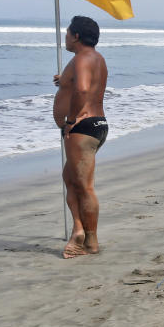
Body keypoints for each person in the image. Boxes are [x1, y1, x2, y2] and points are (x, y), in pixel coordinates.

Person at [52, 16, 110, 259]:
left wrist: (70, 119)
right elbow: (83, 84)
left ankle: (90, 242)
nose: (65, 37)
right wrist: (63, 81)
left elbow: (83, 89)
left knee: (84, 186)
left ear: (76, 36)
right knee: (71, 179)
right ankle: (79, 230)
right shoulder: (96, 59)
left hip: (82, 127)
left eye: (67, 33)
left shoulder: (82, 58)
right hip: (97, 124)